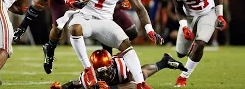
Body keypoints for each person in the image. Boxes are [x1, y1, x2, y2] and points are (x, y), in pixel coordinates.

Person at [56, 0, 164, 88]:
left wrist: (150, 30)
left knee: (126, 43)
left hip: (105, 20)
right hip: (85, 15)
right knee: (75, 29)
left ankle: (140, 83)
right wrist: (68, 0)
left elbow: (140, 9)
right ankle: (88, 69)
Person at [168, 0, 227, 87]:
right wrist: (184, 27)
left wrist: (220, 15)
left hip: (208, 12)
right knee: (180, 53)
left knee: (201, 43)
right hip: (188, 16)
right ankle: (190, 49)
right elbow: (178, 9)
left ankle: (183, 77)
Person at [50, 49, 187, 89]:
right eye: (100, 71)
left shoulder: (121, 65)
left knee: (136, 77)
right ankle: (164, 62)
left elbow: (134, 85)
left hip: (124, 64)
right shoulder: (89, 75)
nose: (105, 73)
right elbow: (78, 84)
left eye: (106, 69)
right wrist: (62, 87)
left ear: (111, 64)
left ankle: (163, 63)